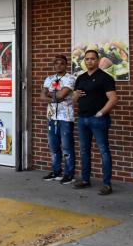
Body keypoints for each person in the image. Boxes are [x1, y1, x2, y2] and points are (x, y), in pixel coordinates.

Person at [73, 50, 118, 195]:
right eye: (87, 59)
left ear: (98, 61)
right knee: (84, 150)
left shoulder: (105, 78)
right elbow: (74, 101)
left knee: (103, 151)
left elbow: (113, 99)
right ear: (84, 61)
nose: (89, 61)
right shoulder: (80, 78)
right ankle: (85, 180)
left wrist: (101, 113)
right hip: (82, 118)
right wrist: (75, 96)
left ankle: (107, 184)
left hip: (98, 120)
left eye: (92, 59)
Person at [41, 54, 76, 184]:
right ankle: (56, 172)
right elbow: (42, 97)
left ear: (66, 65)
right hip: (51, 117)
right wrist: (56, 96)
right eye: (56, 63)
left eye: (61, 63)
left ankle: (69, 174)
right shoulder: (49, 79)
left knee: (67, 148)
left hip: (66, 118)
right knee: (54, 147)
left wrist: (51, 94)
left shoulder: (70, 78)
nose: (58, 65)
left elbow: (62, 95)